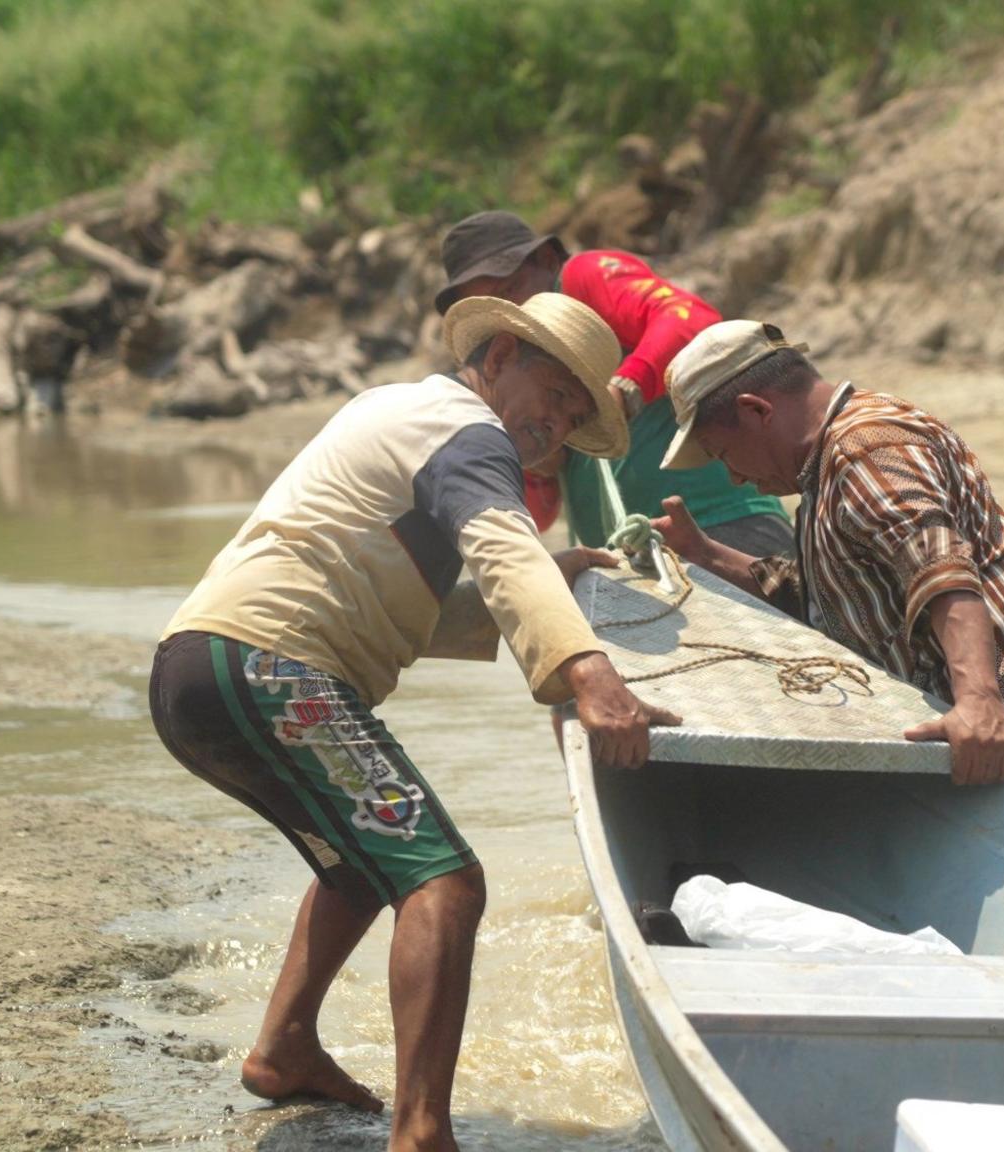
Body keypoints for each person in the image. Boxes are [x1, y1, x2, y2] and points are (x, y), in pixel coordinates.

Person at [148, 293, 679, 1152]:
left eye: (578, 414)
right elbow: (503, 550)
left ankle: (284, 1048)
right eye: (554, 391)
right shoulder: (467, 429)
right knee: (446, 883)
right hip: (274, 668)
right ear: (501, 356)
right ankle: (421, 1131)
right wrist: (591, 673)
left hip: (204, 667)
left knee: (363, 863)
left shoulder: (406, 412)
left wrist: (557, 571)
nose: (558, 423)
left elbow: (401, 609)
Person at [650, 320, 1004, 785]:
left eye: (723, 454)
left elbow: (940, 568)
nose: (735, 478)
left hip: (1003, 729)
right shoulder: (827, 469)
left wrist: (979, 702)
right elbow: (818, 596)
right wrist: (701, 552)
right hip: (971, 728)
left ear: (756, 410)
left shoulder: (865, 447)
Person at [434, 210, 791, 557]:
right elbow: (541, 517)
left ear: (546, 260)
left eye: (510, 289)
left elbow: (690, 319)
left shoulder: (580, 277)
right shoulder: (515, 371)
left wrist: (623, 392)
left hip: (719, 524)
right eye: (496, 303)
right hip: (629, 552)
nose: (513, 310)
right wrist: (539, 463)